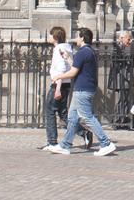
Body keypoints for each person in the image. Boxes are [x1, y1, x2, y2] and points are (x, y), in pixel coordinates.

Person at [48, 28, 117, 157]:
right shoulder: (89, 51)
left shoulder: (81, 52)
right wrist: (68, 58)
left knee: (87, 117)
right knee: (72, 118)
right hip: (85, 88)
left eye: (78, 37)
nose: (76, 39)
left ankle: (106, 143)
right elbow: (77, 67)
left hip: (82, 89)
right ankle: (65, 145)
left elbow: (73, 72)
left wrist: (59, 77)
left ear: (83, 38)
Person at [42, 25, 73, 149]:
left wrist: (57, 89)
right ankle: (83, 131)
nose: (49, 37)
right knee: (63, 113)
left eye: (50, 35)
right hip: (67, 83)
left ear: (55, 37)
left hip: (58, 84)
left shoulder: (58, 49)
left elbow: (61, 69)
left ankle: (52, 141)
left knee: (50, 112)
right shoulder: (67, 48)